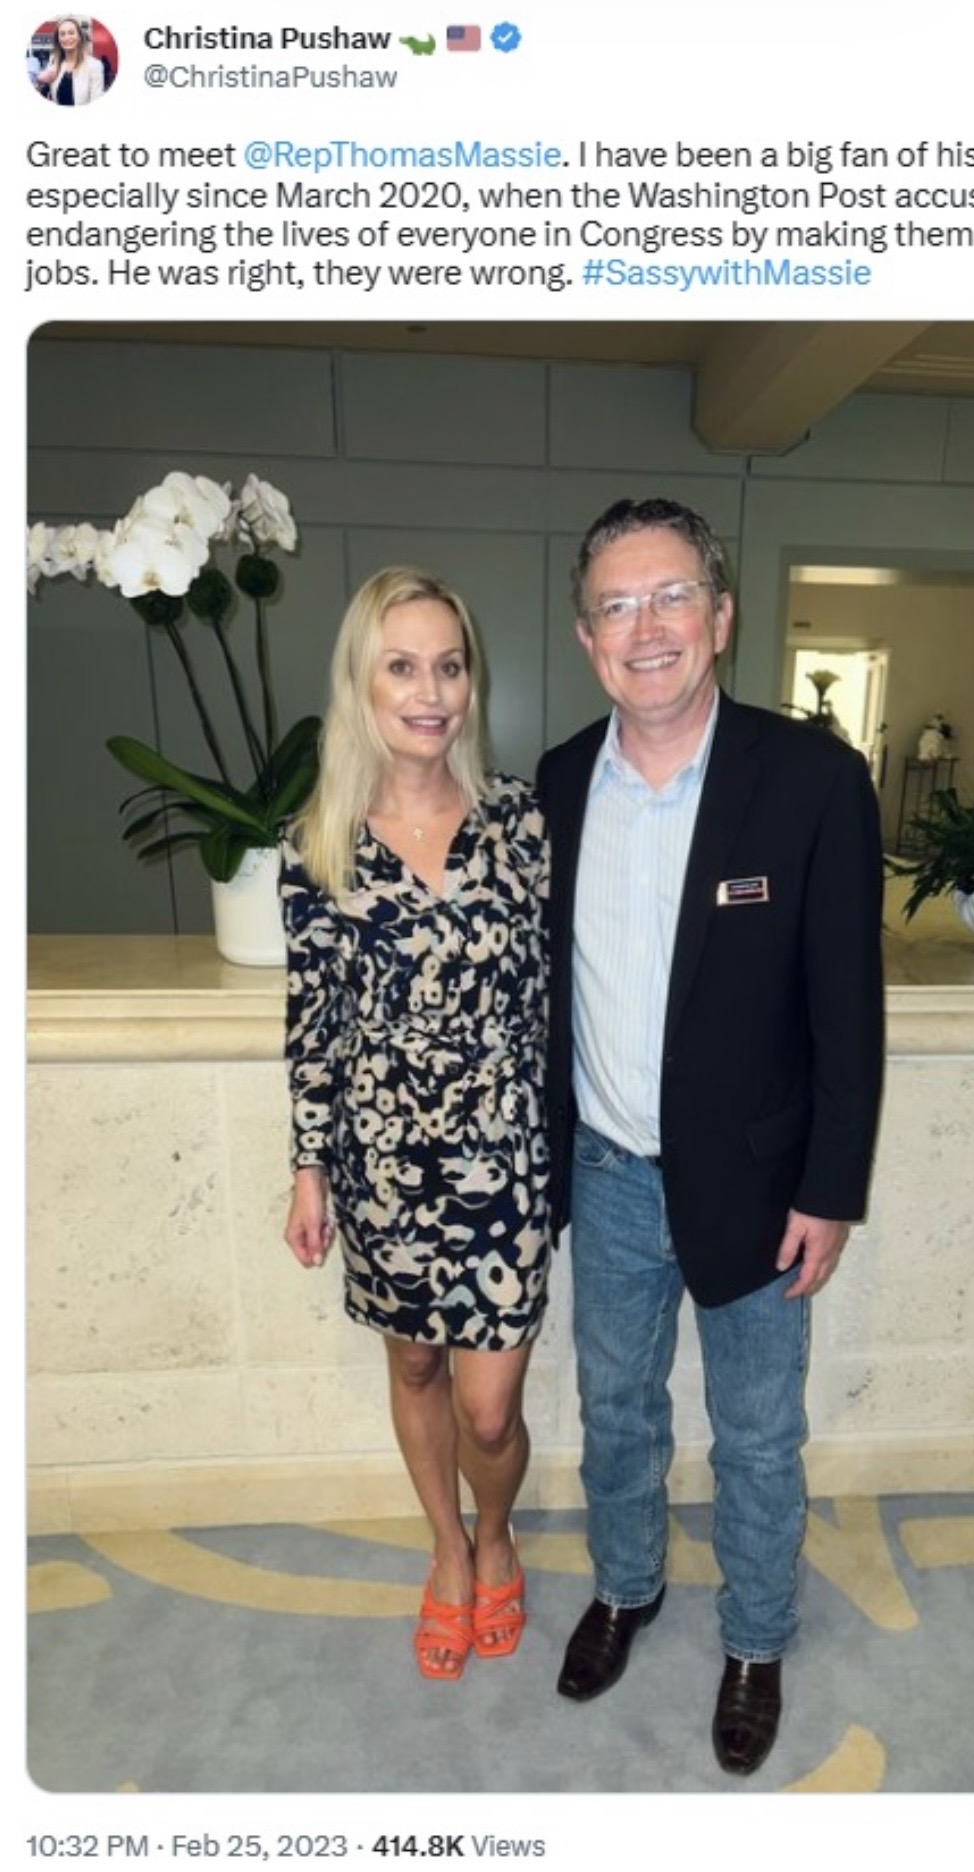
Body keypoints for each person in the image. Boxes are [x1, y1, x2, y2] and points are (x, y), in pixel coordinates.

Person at [537, 498, 884, 1775]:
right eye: (618, 606)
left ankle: (755, 1639)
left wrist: (829, 1187)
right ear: (588, 638)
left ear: (721, 617)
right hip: (608, 1173)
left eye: (673, 595)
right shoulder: (556, 786)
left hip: (760, 1180)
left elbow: (848, 1008)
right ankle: (626, 1588)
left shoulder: (812, 782)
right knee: (618, 1411)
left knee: (756, 1435)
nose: (648, 628)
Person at [281, 566, 551, 1681]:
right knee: (415, 1368)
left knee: (490, 1410)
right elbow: (312, 1022)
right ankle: (449, 1550)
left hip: (506, 1159)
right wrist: (309, 1169)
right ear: (362, 681)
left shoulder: (523, 821)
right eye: (402, 666)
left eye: (449, 665)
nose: (430, 691)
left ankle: (497, 1530)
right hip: (382, 1165)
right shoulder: (318, 844)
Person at [36, 14, 106, 104]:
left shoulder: (94, 66)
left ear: (79, 37)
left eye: (71, 33)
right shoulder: (54, 62)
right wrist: (40, 82)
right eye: (62, 34)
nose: (67, 37)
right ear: (58, 39)